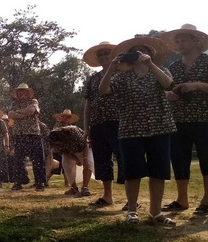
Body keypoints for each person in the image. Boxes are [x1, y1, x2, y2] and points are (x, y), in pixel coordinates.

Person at [98, 36, 177, 226]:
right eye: (137, 51)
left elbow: (168, 85)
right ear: (130, 56)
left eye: (145, 50)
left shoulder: (161, 71)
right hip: (130, 129)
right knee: (133, 172)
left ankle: (156, 212)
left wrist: (151, 65)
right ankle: (132, 210)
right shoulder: (121, 77)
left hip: (160, 126)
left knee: (159, 171)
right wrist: (111, 67)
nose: (141, 54)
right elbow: (103, 90)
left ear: (151, 54)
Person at [159, 24, 208, 216]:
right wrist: (171, 95)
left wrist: (196, 85)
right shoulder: (174, 67)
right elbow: (169, 89)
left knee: (206, 158)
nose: (180, 44)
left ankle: (207, 199)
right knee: (179, 159)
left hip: (204, 117)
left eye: (183, 40)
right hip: (178, 118)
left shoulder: (206, 62)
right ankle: (182, 199)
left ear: (195, 41)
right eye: (177, 41)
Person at [83, 41, 125, 207]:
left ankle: (131, 198)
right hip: (98, 124)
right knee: (102, 160)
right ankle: (107, 196)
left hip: (119, 121)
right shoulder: (93, 79)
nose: (103, 57)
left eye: (106, 53)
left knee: (124, 158)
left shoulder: (123, 73)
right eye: (100, 55)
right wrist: (86, 128)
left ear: (113, 55)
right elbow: (88, 104)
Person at [8, 83, 46, 192]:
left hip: (33, 134)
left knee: (38, 160)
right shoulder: (13, 104)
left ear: (28, 92)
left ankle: (40, 183)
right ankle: (18, 182)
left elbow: (32, 110)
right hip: (19, 134)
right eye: (20, 91)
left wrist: (18, 113)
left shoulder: (33, 101)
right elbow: (10, 114)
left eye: (23, 91)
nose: (21, 93)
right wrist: (24, 113)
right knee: (18, 160)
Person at [50, 109, 93, 196]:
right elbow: (64, 152)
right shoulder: (54, 137)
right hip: (70, 151)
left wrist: (84, 159)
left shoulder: (73, 131)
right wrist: (76, 159)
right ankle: (74, 188)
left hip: (82, 148)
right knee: (66, 165)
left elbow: (85, 145)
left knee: (88, 164)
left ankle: (85, 187)